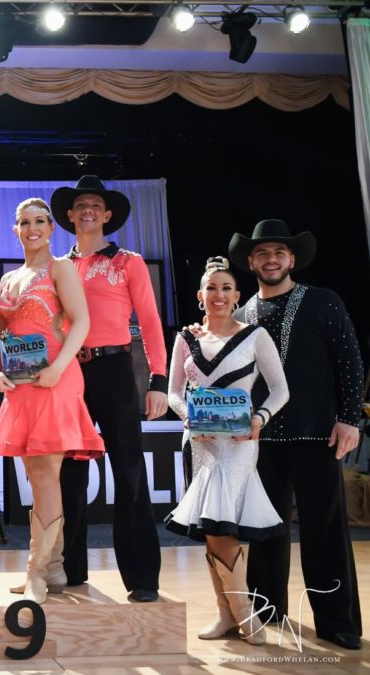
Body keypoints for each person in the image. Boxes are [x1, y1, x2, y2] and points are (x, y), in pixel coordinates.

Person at [230, 220, 363, 650]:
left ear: (292, 259)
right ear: (251, 262)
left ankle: (336, 621)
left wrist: (350, 419)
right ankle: (267, 611)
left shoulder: (323, 301)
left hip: (316, 434)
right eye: (262, 253)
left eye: (278, 253)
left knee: (324, 531)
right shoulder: (240, 316)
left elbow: (349, 361)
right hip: (259, 439)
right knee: (264, 529)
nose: (271, 259)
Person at [0, 198, 104, 604]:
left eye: (38, 221)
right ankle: (54, 567)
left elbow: (81, 321)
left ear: (51, 228)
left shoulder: (60, 268)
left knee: (47, 473)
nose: (31, 228)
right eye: (24, 222)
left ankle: (37, 570)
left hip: (55, 378)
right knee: (36, 475)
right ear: (15, 230)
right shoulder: (10, 278)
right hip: (21, 383)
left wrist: (58, 368)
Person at [53, 175, 168, 602]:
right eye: (80, 205)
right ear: (70, 215)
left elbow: (150, 322)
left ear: (107, 215)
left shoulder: (128, 262)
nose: (87, 211)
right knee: (69, 475)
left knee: (129, 471)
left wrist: (158, 380)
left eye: (95, 205)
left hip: (116, 370)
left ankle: (142, 577)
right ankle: (70, 569)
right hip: (70, 374)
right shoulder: (58, 266)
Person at [166, 256, 288, 645]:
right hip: (199, 444)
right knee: (211, 528)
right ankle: (228, 614)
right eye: (211, 288)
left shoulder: (255, 336)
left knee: (222, 527)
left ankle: (243, 612)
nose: (218, 294)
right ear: (199, 296)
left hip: (238, 445)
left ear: (237, 296)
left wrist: (259, 419)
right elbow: (173, 393)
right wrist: (188, 416)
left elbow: (280, 389)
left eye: (226, 288)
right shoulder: (185, 339)